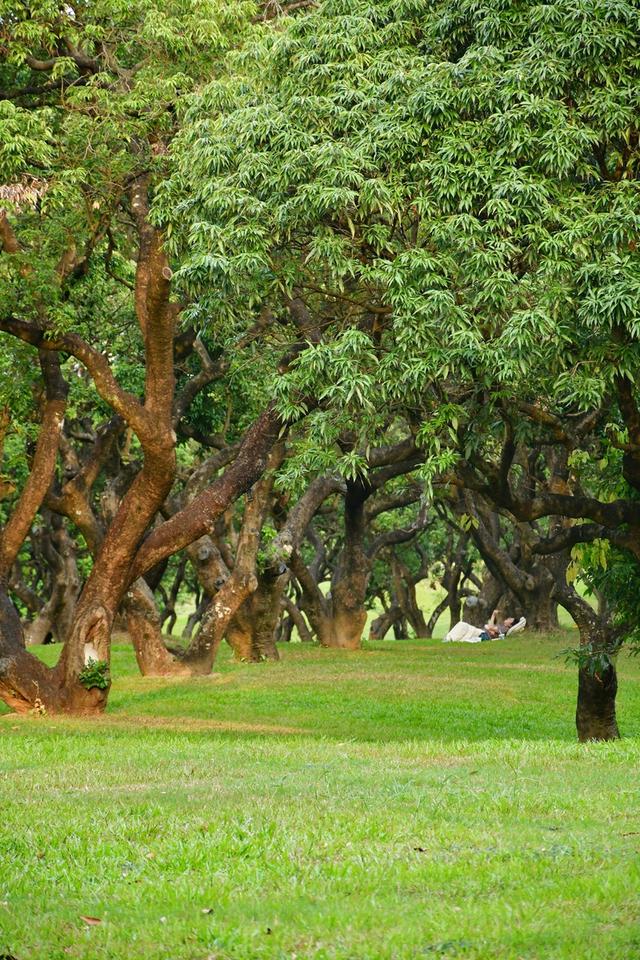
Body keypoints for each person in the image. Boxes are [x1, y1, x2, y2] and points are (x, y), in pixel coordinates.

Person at [443, 610, 526, 643]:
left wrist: (490, 625)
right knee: (462, 625)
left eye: (510, 619)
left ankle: (449, 638)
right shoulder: (501, 627)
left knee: (462, 625)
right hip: (482, 632)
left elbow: (490, 627)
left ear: (510, 624)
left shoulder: (504, 629)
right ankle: (449, 638)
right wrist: (493, 616)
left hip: (483, 634)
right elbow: (491, 626)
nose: (507, 619)